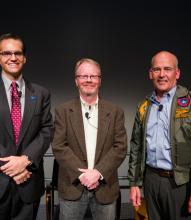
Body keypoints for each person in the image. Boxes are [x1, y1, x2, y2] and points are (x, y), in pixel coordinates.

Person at [128, 51, 191, 220]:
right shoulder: (144, 106)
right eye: (157, 69)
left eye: (167, 69)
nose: (162, 74)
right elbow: (136, 147)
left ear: (177, 73)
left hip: (180, 183)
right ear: (150, 74)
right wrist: (134, 183)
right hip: (151, 181)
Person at [52, 58, 127, 220]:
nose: (88, 80)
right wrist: (84, 176)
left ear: (99, 80)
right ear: (76, 81)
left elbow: (120, 147)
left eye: (93, 76)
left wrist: (98, 173)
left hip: (105, 187)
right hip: (73, 187)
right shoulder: (62, 111)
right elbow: (59, 146)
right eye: (83, 76)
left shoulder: (115, 112)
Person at [0, 33, 53, 220]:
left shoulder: (41, 93)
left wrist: (26, 160)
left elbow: (46, 129)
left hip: (28, 181)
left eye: (17, 53)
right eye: (6, 53)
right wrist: (11, 166)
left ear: (24, 57)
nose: (12, 58)